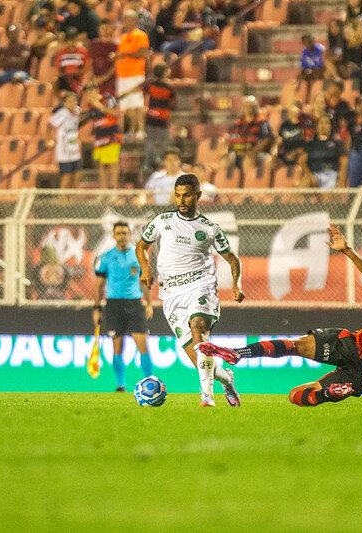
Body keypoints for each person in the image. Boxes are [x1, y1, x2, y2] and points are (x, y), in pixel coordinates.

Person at [199, 224, 362, 408]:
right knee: (297, 395)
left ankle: (239, 354)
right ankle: (331, 392)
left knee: (294, 346)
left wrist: (348, 251)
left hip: (357, 345)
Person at [135, 174, 244, 407]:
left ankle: (206, 396)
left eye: (186, 195)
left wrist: (237, 285)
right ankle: (225, 378)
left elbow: (232, 259)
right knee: (200, 360)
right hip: (171, 294)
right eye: (178, 195)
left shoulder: (209, 228)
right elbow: (142, 246)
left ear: (198, 196)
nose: (181, 200)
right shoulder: (161, 221)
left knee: (198, 328)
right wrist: (145, 268)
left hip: (200, 285)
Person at [93, 221, 154, 391]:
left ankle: (149, 383)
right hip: (114, 304)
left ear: (130, 234)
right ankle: (120, 384)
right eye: (119, 233)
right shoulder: (106, 257)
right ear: (113, 235)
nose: (122, 236)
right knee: (117, 344)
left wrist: (149, 304)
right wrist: (96, 308)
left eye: (125, 233)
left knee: (142, 343)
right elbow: (99, 284)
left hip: (135, 304)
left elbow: (144, 281)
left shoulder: (139, 255)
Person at [114, 10, 150, 140]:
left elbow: (143, 54)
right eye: (124, 19)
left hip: (135, 74)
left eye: (129, 19)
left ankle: (140, 131)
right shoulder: (122, 36)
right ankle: (131, 131)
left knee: (137, 104)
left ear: (135, 20)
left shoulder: (140, 35)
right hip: (122, 75)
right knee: (126, 106)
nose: (126, 22)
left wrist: (124, 55)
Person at [85, 84, 122, 189]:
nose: (89, 95)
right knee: (101, 165)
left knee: (113, 164)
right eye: (87, 93)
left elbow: (116, 113)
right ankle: (103, 191)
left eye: (91, 92)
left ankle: (114, 191)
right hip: (99, 137)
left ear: (97, 90)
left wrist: (100, 106)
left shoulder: (107, 98)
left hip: (112, 135)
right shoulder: (90, 105)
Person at [300, 114, 347, 188]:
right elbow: (302, 161)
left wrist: (342, 181)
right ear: (317, 127)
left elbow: (344, 162)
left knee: (326, 197)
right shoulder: (310, 143)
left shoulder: (337, 143)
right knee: (302, 186)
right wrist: (310, 176)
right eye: (321, 123)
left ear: (331, 127)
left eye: (326, 123)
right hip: (314, 175)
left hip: (330, 174)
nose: (323, 125)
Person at [49, 91, 82, 189]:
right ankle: (62, 198)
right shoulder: (62, 114)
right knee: (67, 174)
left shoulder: (77, 111)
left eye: (74, 101)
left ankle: (72, 198)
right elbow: (50, 125)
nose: (72, 103)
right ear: (65, 103)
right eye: (69, 101)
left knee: (77, 173)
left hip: (74, 147)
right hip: (64, 149)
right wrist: (49, 140)